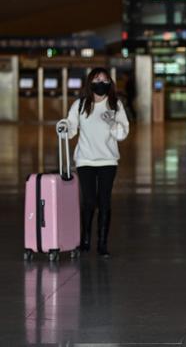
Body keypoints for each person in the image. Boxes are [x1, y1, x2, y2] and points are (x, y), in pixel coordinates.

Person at [61, 67, 129, 257]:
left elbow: (123, 133)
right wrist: (64, 126)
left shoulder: (115, 104)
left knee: (104, 201)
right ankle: (85, 240)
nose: (101, 83)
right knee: (89, 201)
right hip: (85, 160)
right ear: (90, 82)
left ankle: (102, 243)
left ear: (110, 83)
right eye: (97, 79)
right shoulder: (81, 104)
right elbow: (71, 127)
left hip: (108, 160)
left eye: (105, 80)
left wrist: (112, 123)